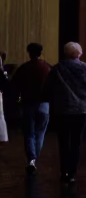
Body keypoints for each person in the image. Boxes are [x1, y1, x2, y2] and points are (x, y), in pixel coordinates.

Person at [43, 42, 86, 184]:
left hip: (61, 111)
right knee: (76, 142)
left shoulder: (56, 70)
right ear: (79, 53)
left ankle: (64, 172)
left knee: (63, 142)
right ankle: (73, 173)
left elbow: (46, 90)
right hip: (81, 110)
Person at [12, 43, 51, 175]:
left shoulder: (24, 68)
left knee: (29, 133)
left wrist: (17, 100)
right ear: (41, 52)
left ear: (29, 52)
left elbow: (15, 86)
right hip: (44, 105)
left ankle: (31, 159)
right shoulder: (47, 68)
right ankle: (34, 158)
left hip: (28, 104)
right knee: (40, 133)